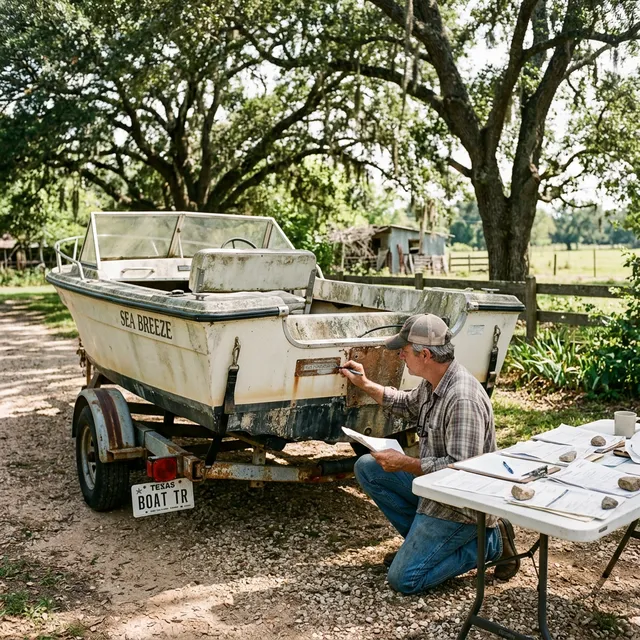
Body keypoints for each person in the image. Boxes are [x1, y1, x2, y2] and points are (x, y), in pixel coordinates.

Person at [340, 313, 519, 595]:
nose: (400, 356)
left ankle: (491, 545)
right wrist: (364, 383)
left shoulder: (462, 398)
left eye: (404, 351)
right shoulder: (434, 381)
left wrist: (406, 463)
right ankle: (423, 549)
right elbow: (405, 404)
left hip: (462, 507)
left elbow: (461, 470)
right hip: (437, 491)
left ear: (425, 354)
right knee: (368, 467)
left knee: (404, 579)